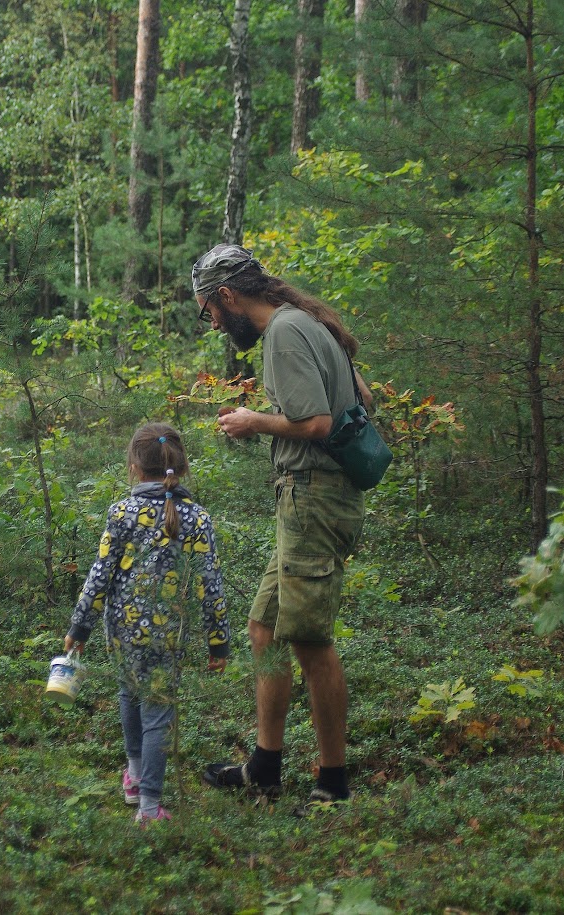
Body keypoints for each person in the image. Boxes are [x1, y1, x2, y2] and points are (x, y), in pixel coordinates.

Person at [192, 244, 370, 814]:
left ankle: (332, 783)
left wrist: (253, 421)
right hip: (309, 499)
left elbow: (315, 422)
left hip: (316, 498)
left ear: (227, 296)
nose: (213, 323)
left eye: (209, 311)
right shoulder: (307, 322)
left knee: (310, 641)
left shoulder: (286, 332)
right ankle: (264, 767)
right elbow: (363, 396)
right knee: (264, 629)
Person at [63, 422, 229, 823]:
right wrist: (218, 641)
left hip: (122, 632)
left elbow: (100, 574)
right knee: (157, 714)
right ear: (182, 467)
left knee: (129, 693)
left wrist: (79, 628)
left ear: (134, 468)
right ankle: (150, 807)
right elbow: (210, 584)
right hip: (168, 636)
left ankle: (135, 778)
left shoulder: (122, 512)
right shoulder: (197, 517)